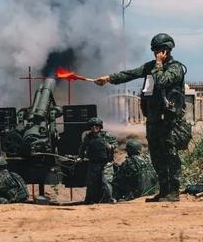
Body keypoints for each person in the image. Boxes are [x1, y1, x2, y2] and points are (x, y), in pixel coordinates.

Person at [94, 33, 189, 202]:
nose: (156, 54)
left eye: (159, 51)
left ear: (166, 50)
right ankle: (164, 191)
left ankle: (173, 192)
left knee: (170, 156)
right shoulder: (151, 67)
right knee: (157, 156)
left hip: (169, 122)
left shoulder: (175, 68)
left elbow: (161, 81)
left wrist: (159, 65)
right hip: (154, 120)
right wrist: (108, 79)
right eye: (154, 51)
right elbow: (131, 74)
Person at [79, 117, 117, 204]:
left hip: (106, 163)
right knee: (91, 183)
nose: (94, 128)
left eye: (96, 126)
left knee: (106, 181)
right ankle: (89, 200)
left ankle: (109, 198)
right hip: (94, 163)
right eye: (92, 126)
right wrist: (80, 157)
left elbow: (115, 144)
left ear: (100, 127)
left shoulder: (107, 136)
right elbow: (82, 148)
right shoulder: (88, 137)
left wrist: (111, 146)